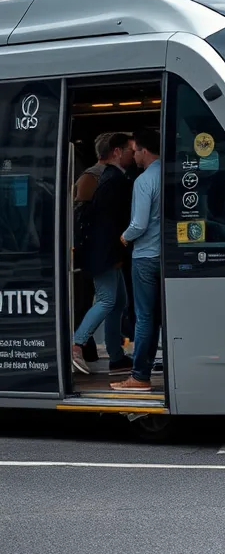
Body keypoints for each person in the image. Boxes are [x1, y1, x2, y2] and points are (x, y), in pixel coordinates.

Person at [71, 133, 135, 375]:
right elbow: (94, 220)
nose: (133, 153)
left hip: (107, 252)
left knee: (118, 302)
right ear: (116, 151)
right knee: (108, 299)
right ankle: (77, 344)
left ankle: (116, 357)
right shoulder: (102, 177)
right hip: (103, 252)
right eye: (130, 150)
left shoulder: (107, 177)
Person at [111, 129, 162, 393]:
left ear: (144, 151)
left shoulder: (144, 181)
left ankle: (140, 376)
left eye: (136, 151)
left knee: (144, 318)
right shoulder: (171, 175)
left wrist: (124, 237)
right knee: (161, 318)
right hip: (167, 257)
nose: (135, 156)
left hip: (144, 257)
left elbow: (139, 223)